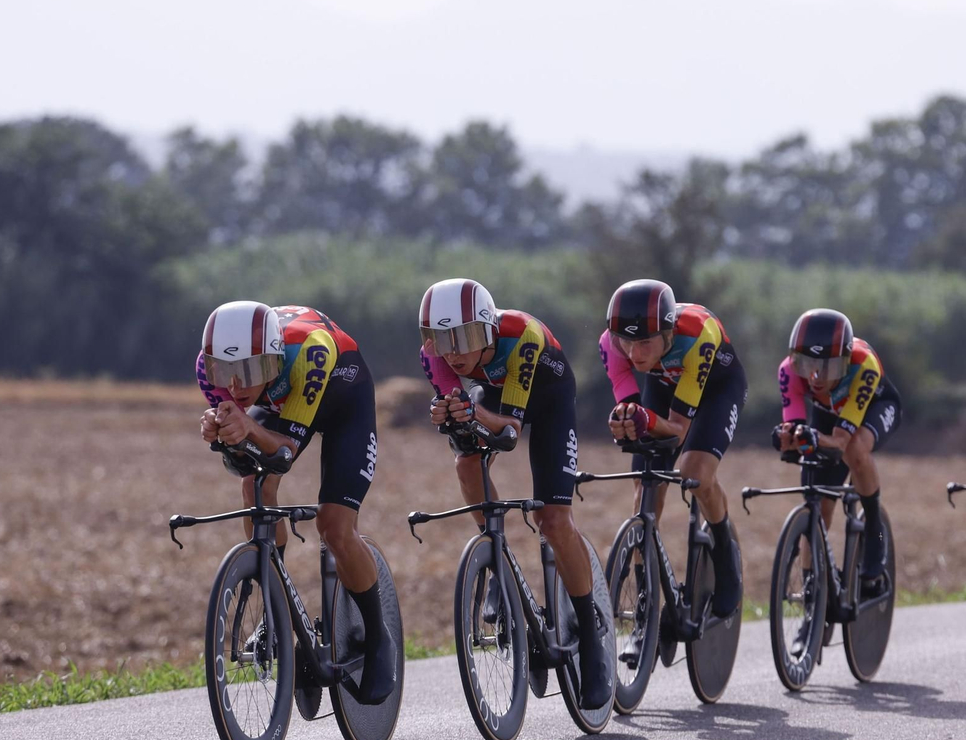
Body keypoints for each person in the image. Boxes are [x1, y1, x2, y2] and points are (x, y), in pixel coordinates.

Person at [417, 277, 612, 711]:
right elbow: (464, 417)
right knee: (466, 462)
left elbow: (508, 430)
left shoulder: (520, 334)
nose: (453, 351)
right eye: (442, 339)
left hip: (547, 402)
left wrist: (468, 410)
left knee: (554, 521)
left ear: (487, 329)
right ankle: (498, 562)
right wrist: (447, 412)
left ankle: (592, 643)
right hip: (494, 400)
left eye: (464, 337)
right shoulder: (436, 356)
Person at [196, 301, 395, 704]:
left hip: (343, 400)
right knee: (253, 485)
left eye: (249, 372)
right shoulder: (209, 368)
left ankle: (378, 637)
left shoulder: (311, 351)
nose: (235, 386)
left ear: (272, 359)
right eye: (227, 373)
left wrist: (247, 427)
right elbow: (243, 452)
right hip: (285, 402)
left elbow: (284, 451)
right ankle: (276, 612)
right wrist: (221, 432)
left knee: (334, 526)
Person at [599, 279, 748, 620]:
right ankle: (644, 604)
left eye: (645, 343)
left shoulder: (697, 335)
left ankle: (726, 554)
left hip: (716, 390)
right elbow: (630, 407)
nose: (635, 354)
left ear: (667, 334)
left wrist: (644, 420)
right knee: (645, 486)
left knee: (694, 473)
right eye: (628, 343)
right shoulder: (611, 344)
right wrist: (626, 418)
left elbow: (678, 430)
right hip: (665, 384)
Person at [774, 308, 902, 596]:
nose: (816, 377)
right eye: (807, 365)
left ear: (844, 362)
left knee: (855, 451)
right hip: (828, 415)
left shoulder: (862, 365)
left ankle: (874, 528)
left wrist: (815, 439)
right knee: (819, 504)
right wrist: (787, 437)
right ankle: (813, 590)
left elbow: (842, 441)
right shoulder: (789, 371)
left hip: (873, 408)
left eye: (828, 368)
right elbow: (793, 427)